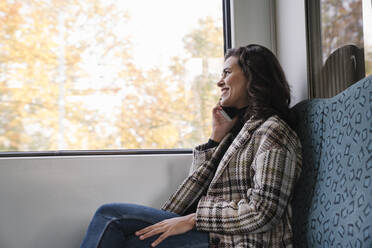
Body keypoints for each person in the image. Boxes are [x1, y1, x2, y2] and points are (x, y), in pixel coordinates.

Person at [80, 44, 302, 248]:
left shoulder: (273, 131)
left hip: (243, 241)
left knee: (111, 216)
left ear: (253, 77)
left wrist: (194, 218)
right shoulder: (240, 130)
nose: (219, 82)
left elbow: (262, 211)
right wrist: (215, 139)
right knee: (131, 242)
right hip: (217, 233)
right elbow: (199, 187)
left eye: (227, 72)